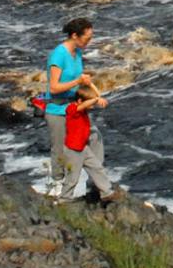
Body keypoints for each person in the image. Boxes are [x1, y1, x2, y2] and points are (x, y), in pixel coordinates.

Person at [39, 17, 123, 202]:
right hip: (58, 109)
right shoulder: (58, 55)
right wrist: (78, 81)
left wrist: (92, 96)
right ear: (75, 36)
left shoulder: (77, 53)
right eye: (87, 37)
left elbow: (78, 84)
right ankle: (58, 188)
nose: (89, 41)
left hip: (76, 109)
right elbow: (53, 87)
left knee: (94, 137)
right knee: (60, 148)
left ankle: (97, 183)